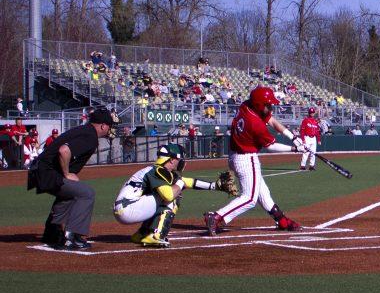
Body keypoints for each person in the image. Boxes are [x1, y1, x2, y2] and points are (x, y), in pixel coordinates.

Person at [204, 86, 309, 236]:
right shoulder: (255, 124)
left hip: (234, 155)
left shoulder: (247, 105)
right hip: (246, 159)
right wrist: (295, 149)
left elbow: (272, 121)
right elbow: (271, 146)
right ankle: (217, 216)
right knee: (250, 198)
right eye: (268, 104)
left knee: (263, 193)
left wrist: (293, 137)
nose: (271, 107)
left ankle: (281, 220)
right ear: (260, 105)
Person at [26, 107, 118, 250]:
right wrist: (67, 173)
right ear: (103, 125)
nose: (109, 129)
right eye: (109, 126)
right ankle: (74, 236)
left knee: (69, 194)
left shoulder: (85, 130)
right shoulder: (90, 136)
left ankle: (53, 232)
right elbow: (64, 150)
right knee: (86, 193)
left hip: (40, 170)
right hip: (46, 172)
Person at [113, 143, 238, 247]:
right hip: (128, 209)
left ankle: (142, 234)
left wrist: (214, 186)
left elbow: (186, 182)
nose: (181, 162)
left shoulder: (157, 169)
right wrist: (179, 184)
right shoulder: (158, 171)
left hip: (126, 207)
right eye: (179, 159)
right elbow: (169, 194)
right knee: (172, 196)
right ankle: (155, 235)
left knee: (170, 192)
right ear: (172, 160)